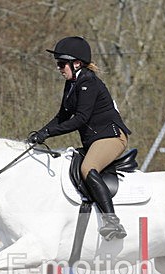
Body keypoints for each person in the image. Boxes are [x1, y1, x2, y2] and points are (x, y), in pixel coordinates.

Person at [29, 36, 131, 240]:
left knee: (87, 168)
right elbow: (62, 117)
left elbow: (80, 119)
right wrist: (38, 134)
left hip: (112, 136)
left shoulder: (89, 82)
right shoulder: (72, 83)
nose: (59, 68)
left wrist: (48, 133)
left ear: (76, 63)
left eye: (61, 64)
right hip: (95, 139)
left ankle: (113, 222)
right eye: (58, 64)